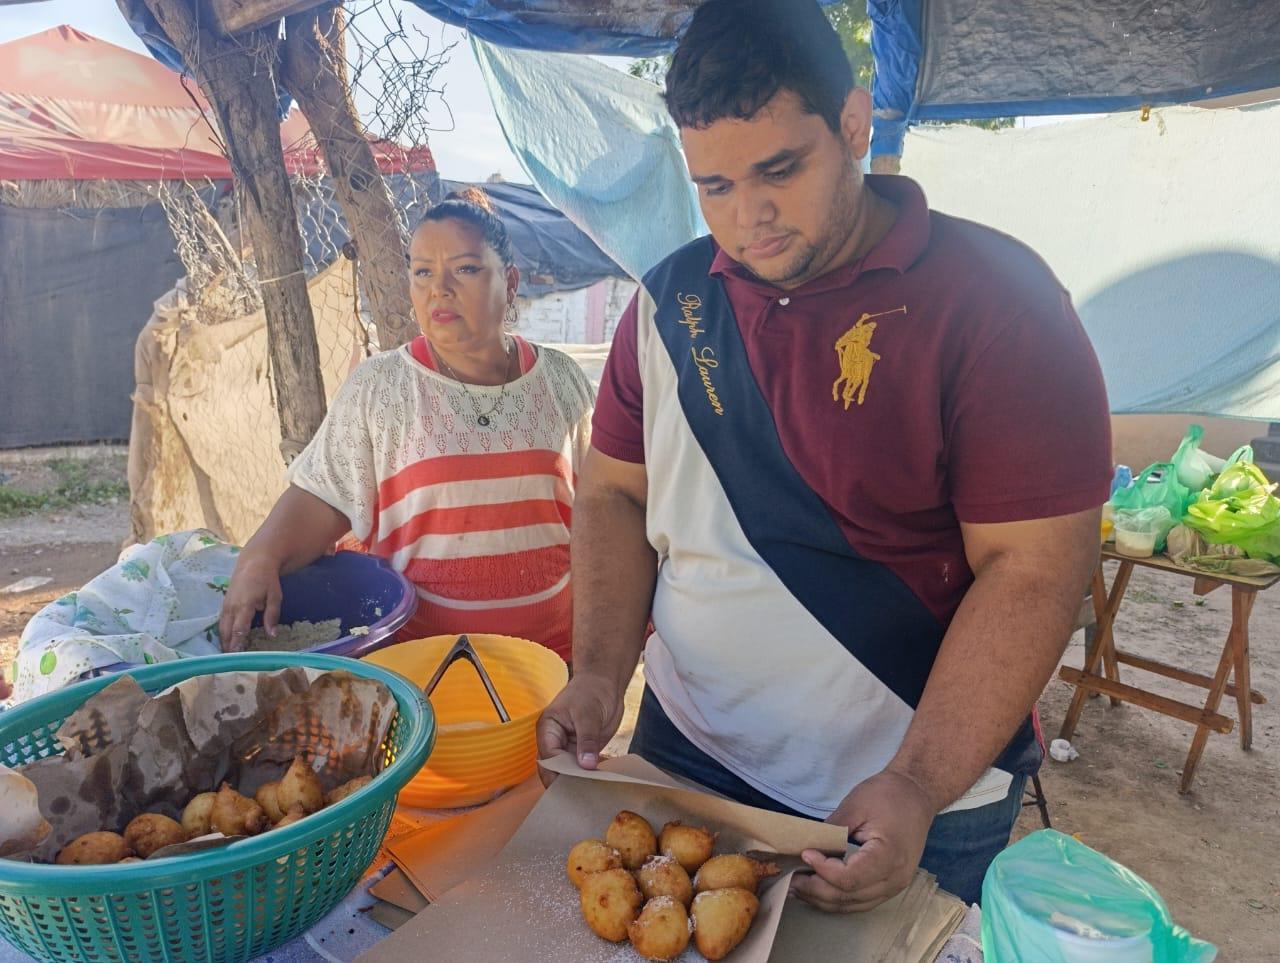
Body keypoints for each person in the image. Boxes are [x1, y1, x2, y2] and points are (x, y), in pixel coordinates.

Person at [537, 0, 1111, 910]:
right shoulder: (667, 303)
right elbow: (611, 495)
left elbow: (1037, 567)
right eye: (713, 186)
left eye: (779, 169)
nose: (748, 217)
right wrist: (601, 670)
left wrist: (920, 782)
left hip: (908, 788)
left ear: (853, 123)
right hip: (687, 747)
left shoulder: (999, 304)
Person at [220, 188, 595, 661]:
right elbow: (323, 495)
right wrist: (261, 557)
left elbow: (600, 511)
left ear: (512, 281)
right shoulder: (383, 388)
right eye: (422, 272)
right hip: (423, 669)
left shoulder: (560, 382)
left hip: (547, 662)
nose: (440, 288)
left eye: (465, 269)